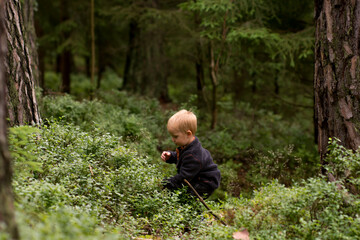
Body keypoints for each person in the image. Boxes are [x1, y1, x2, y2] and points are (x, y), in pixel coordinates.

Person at [161, 109, 221, 199]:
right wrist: (171, 156)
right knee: (181, 192)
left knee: (188, 198)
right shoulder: (187, 146)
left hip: (205, 182)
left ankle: (195, 211)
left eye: (175, 136)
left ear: (188, 133)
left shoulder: (193, 155)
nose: (173, 140)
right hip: (197, 177)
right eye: (172, 136)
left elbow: (183, 177)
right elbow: (182, 157)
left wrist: (167, 183)